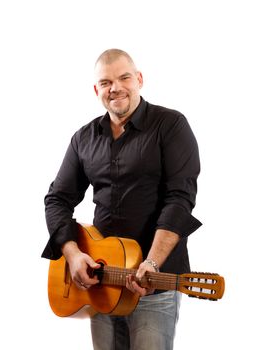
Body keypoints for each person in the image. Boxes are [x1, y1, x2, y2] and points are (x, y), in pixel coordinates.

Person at [42, 48, 202, 350]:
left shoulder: (171, 126)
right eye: (105, 82)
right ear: (96, 90)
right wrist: (73, 254)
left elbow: (180, 199)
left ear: (139, 79)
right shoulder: (83, 138)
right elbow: (57, 199)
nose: (115, 87)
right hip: (101, 284)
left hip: (154, 285)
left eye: (124, 77)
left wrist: (151, 263)